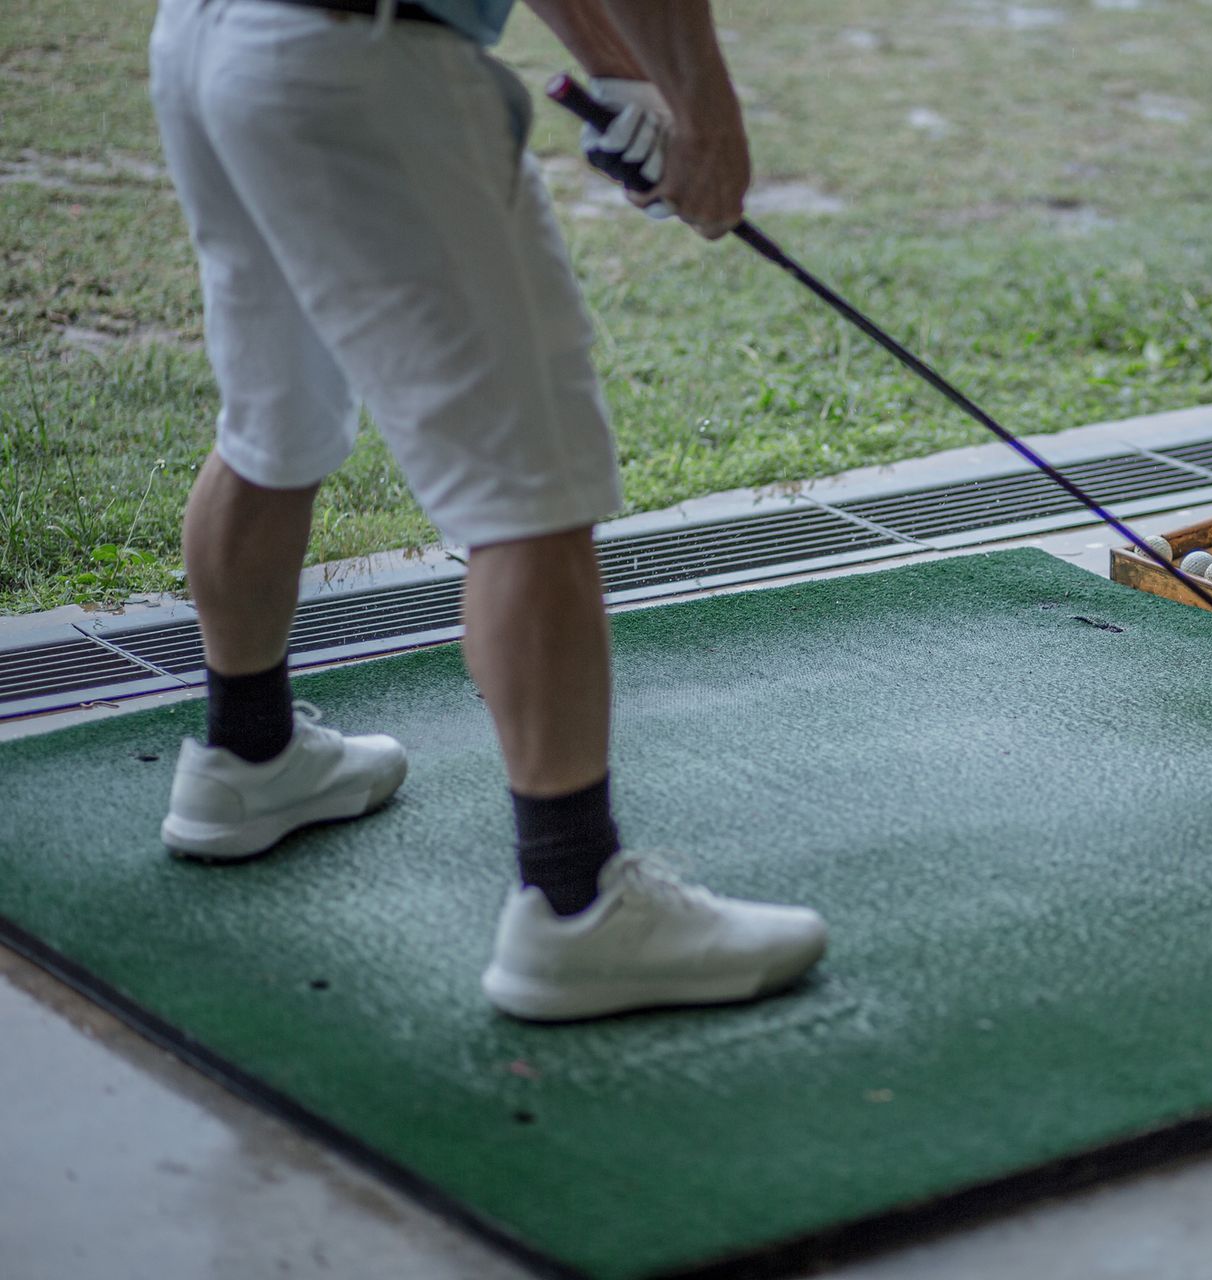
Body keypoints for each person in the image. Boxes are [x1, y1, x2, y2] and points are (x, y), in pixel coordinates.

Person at [147, 0, 827, 1021]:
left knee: (271, 420)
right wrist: (705, 114)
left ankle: (245, 757)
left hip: (212, 42)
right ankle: (575, 904)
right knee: (530, 492)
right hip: (366, 66)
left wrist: (621, 74)